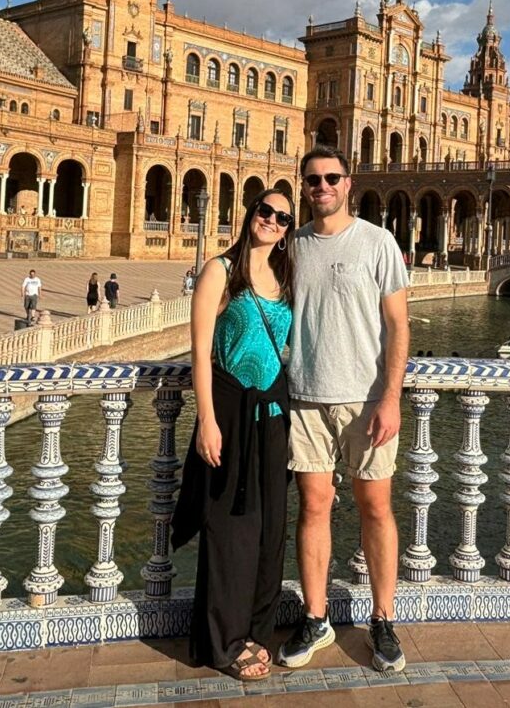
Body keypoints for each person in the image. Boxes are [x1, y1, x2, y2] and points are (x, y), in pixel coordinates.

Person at [277, 145, 410, 675]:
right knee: (312, 507)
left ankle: (382, 618)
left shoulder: (378, 243)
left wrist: (392, 397)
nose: (322, 187)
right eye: (313, 180)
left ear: (348, 183)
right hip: (307, 395)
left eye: (331, 177)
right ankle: (316, 616)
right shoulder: (292, 245)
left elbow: (399, 326)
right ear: (303, 186)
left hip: (367, 399)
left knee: (375, 507)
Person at [172, 188, 295, 682]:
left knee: (269, 527)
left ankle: (256, 631)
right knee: (229, 527)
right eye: (265, 211)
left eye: (283, 217)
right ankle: (222, 640)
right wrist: (206, 419)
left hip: (273, 411)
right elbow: (199, 351)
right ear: (251, 214)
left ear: (288, 230)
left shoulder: (286, 275)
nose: (272, 220)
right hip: (229, 405)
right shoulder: (220, 270)